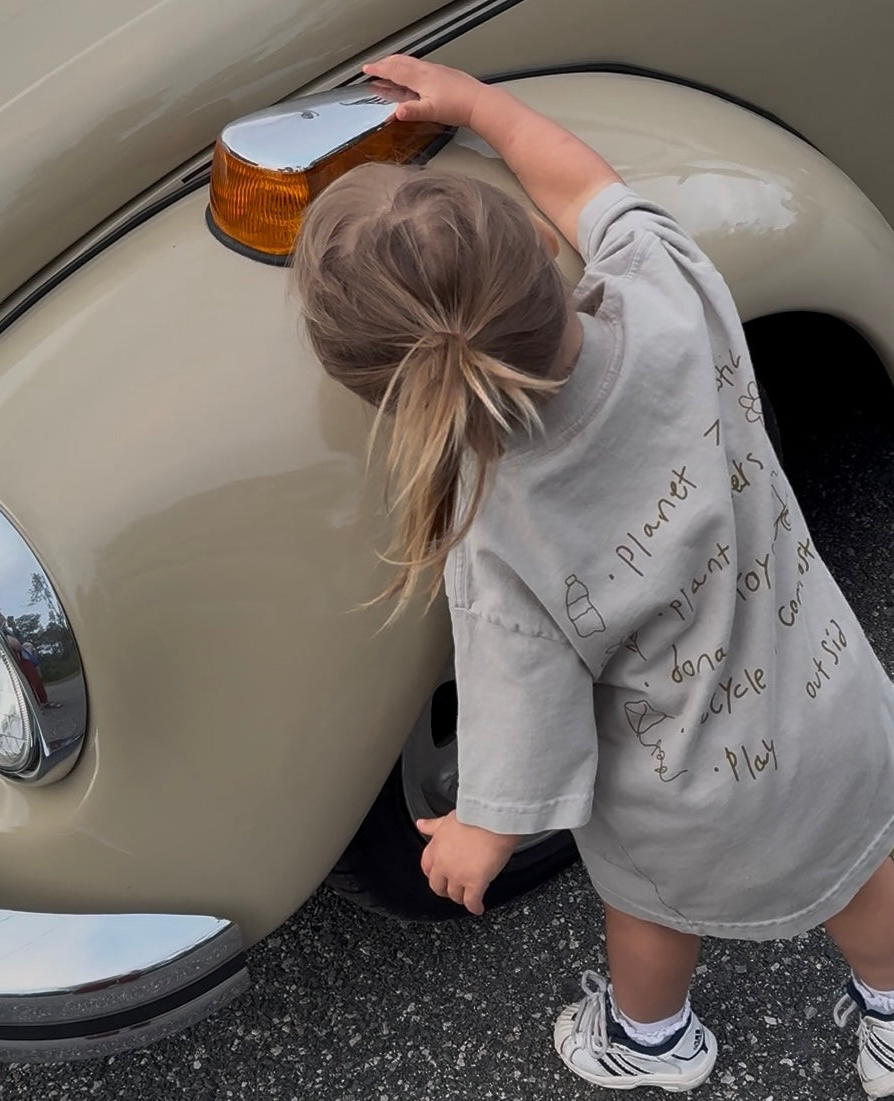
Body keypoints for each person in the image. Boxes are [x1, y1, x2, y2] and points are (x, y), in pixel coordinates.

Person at [292, 55, 894, 1096]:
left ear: (390, 398)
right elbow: (584, 184)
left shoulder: (495, 525)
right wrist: (479, 107)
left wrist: (480, 834)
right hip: (832, 697)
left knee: (651, 913)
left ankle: (650, 1043)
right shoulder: (669, 292)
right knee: (863, 875)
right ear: (540, 248)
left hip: (689, 798)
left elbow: (522, 717)